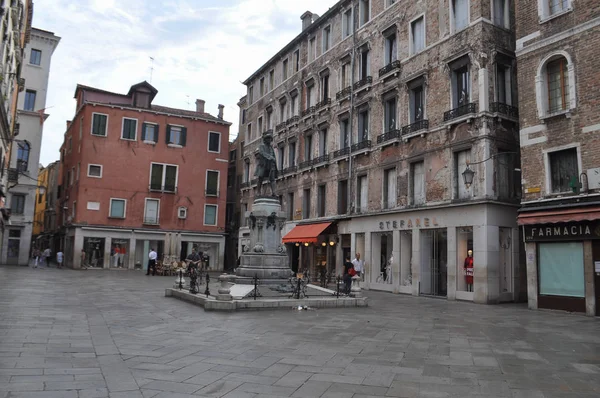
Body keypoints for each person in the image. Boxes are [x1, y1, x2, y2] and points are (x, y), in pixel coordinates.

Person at [254, 131, 278, 196]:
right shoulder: (261, 146)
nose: (269, 140)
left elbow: (273, 156)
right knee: (260, 178)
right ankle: (258, 191)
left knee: (272, 179)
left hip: (271, 165)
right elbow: (262, 153)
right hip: (263, 165)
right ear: (265, 140)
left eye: (270, 139)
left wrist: (273, 160)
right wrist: (270, 157)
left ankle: (274, 192)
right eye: (268, 138)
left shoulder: (271, 148)